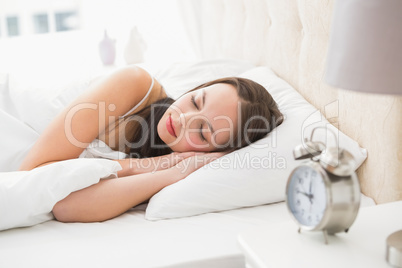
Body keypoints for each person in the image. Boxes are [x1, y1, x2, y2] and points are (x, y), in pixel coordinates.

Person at [19, 66, 283, 223]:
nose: (182, 119)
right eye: (195, 101)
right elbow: (33, 178)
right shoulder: (134, 85)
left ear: (215, 152)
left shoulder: (176, 167)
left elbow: (64, 206)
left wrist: (174, 171)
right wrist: (153, 164)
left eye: (202, 132)